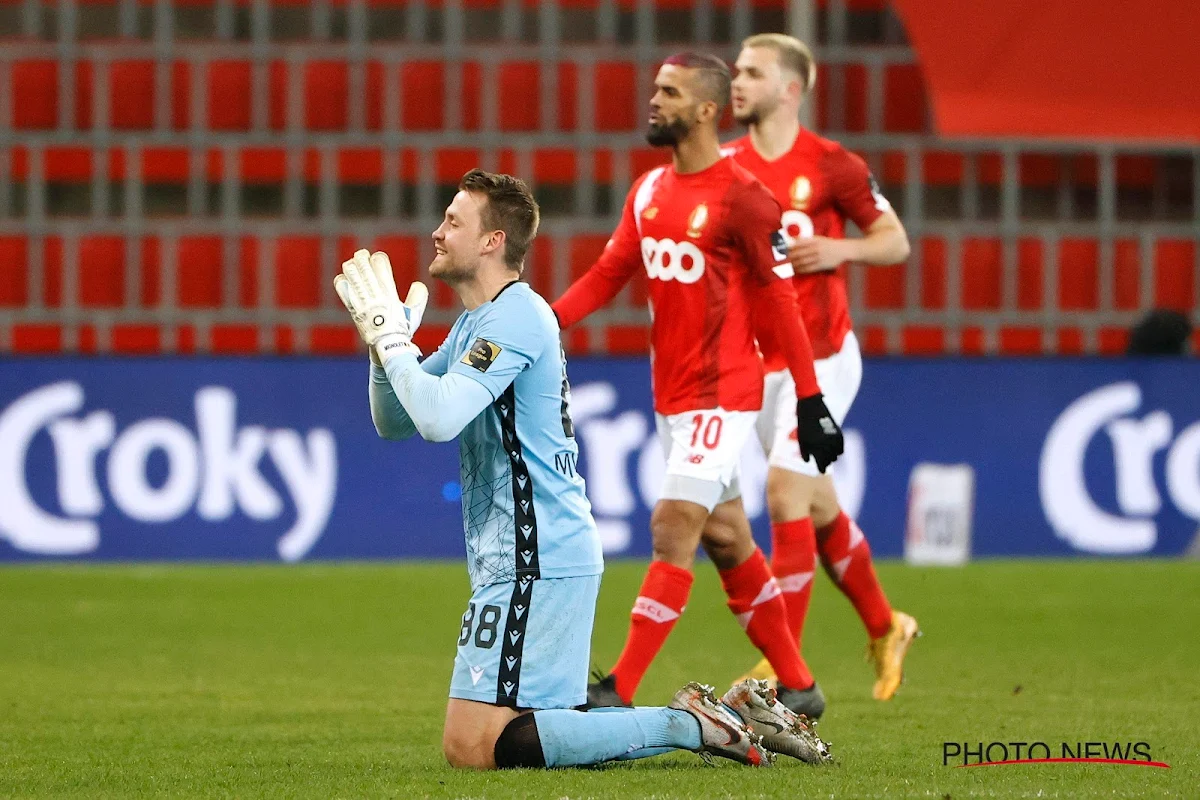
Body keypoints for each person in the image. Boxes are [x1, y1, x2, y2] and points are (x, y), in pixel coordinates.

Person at [334, 168, 830, 769]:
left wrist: (393, 344)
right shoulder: (478, 321)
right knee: (514, 737)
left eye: (453, 221)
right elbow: (398, 420)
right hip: (528, 556)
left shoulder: (517, 317)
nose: (437, 233)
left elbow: (439, 418)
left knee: (472, 747)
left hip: (536, 557)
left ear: (492, 241)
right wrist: (386, 351)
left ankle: (692, 722)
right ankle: (715, 717)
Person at [551, 52, 844, 721]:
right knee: (728, 536)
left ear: (707, 110)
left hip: (724, 393)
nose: (653, 100)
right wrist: (543, 321)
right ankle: (799, 684)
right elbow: (607, 274)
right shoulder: (650, 191)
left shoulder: (744, 197)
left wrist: (810, 397)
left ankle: (615, 690)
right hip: (671, 398)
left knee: (672, 527)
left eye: (669, 92)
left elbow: (779, 304)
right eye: (654, 87)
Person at [725, 33, 919, 711]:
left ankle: (785, 670)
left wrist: (837, 247)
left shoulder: (832, 165)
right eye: (736, 71)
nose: (736, 83)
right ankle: (886, 624)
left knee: (783, 494)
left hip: (825, 360)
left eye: (752, 72)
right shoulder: (727, 168)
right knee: (814, 504)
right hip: (759, 363)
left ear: (791, 88)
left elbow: (895, 241)